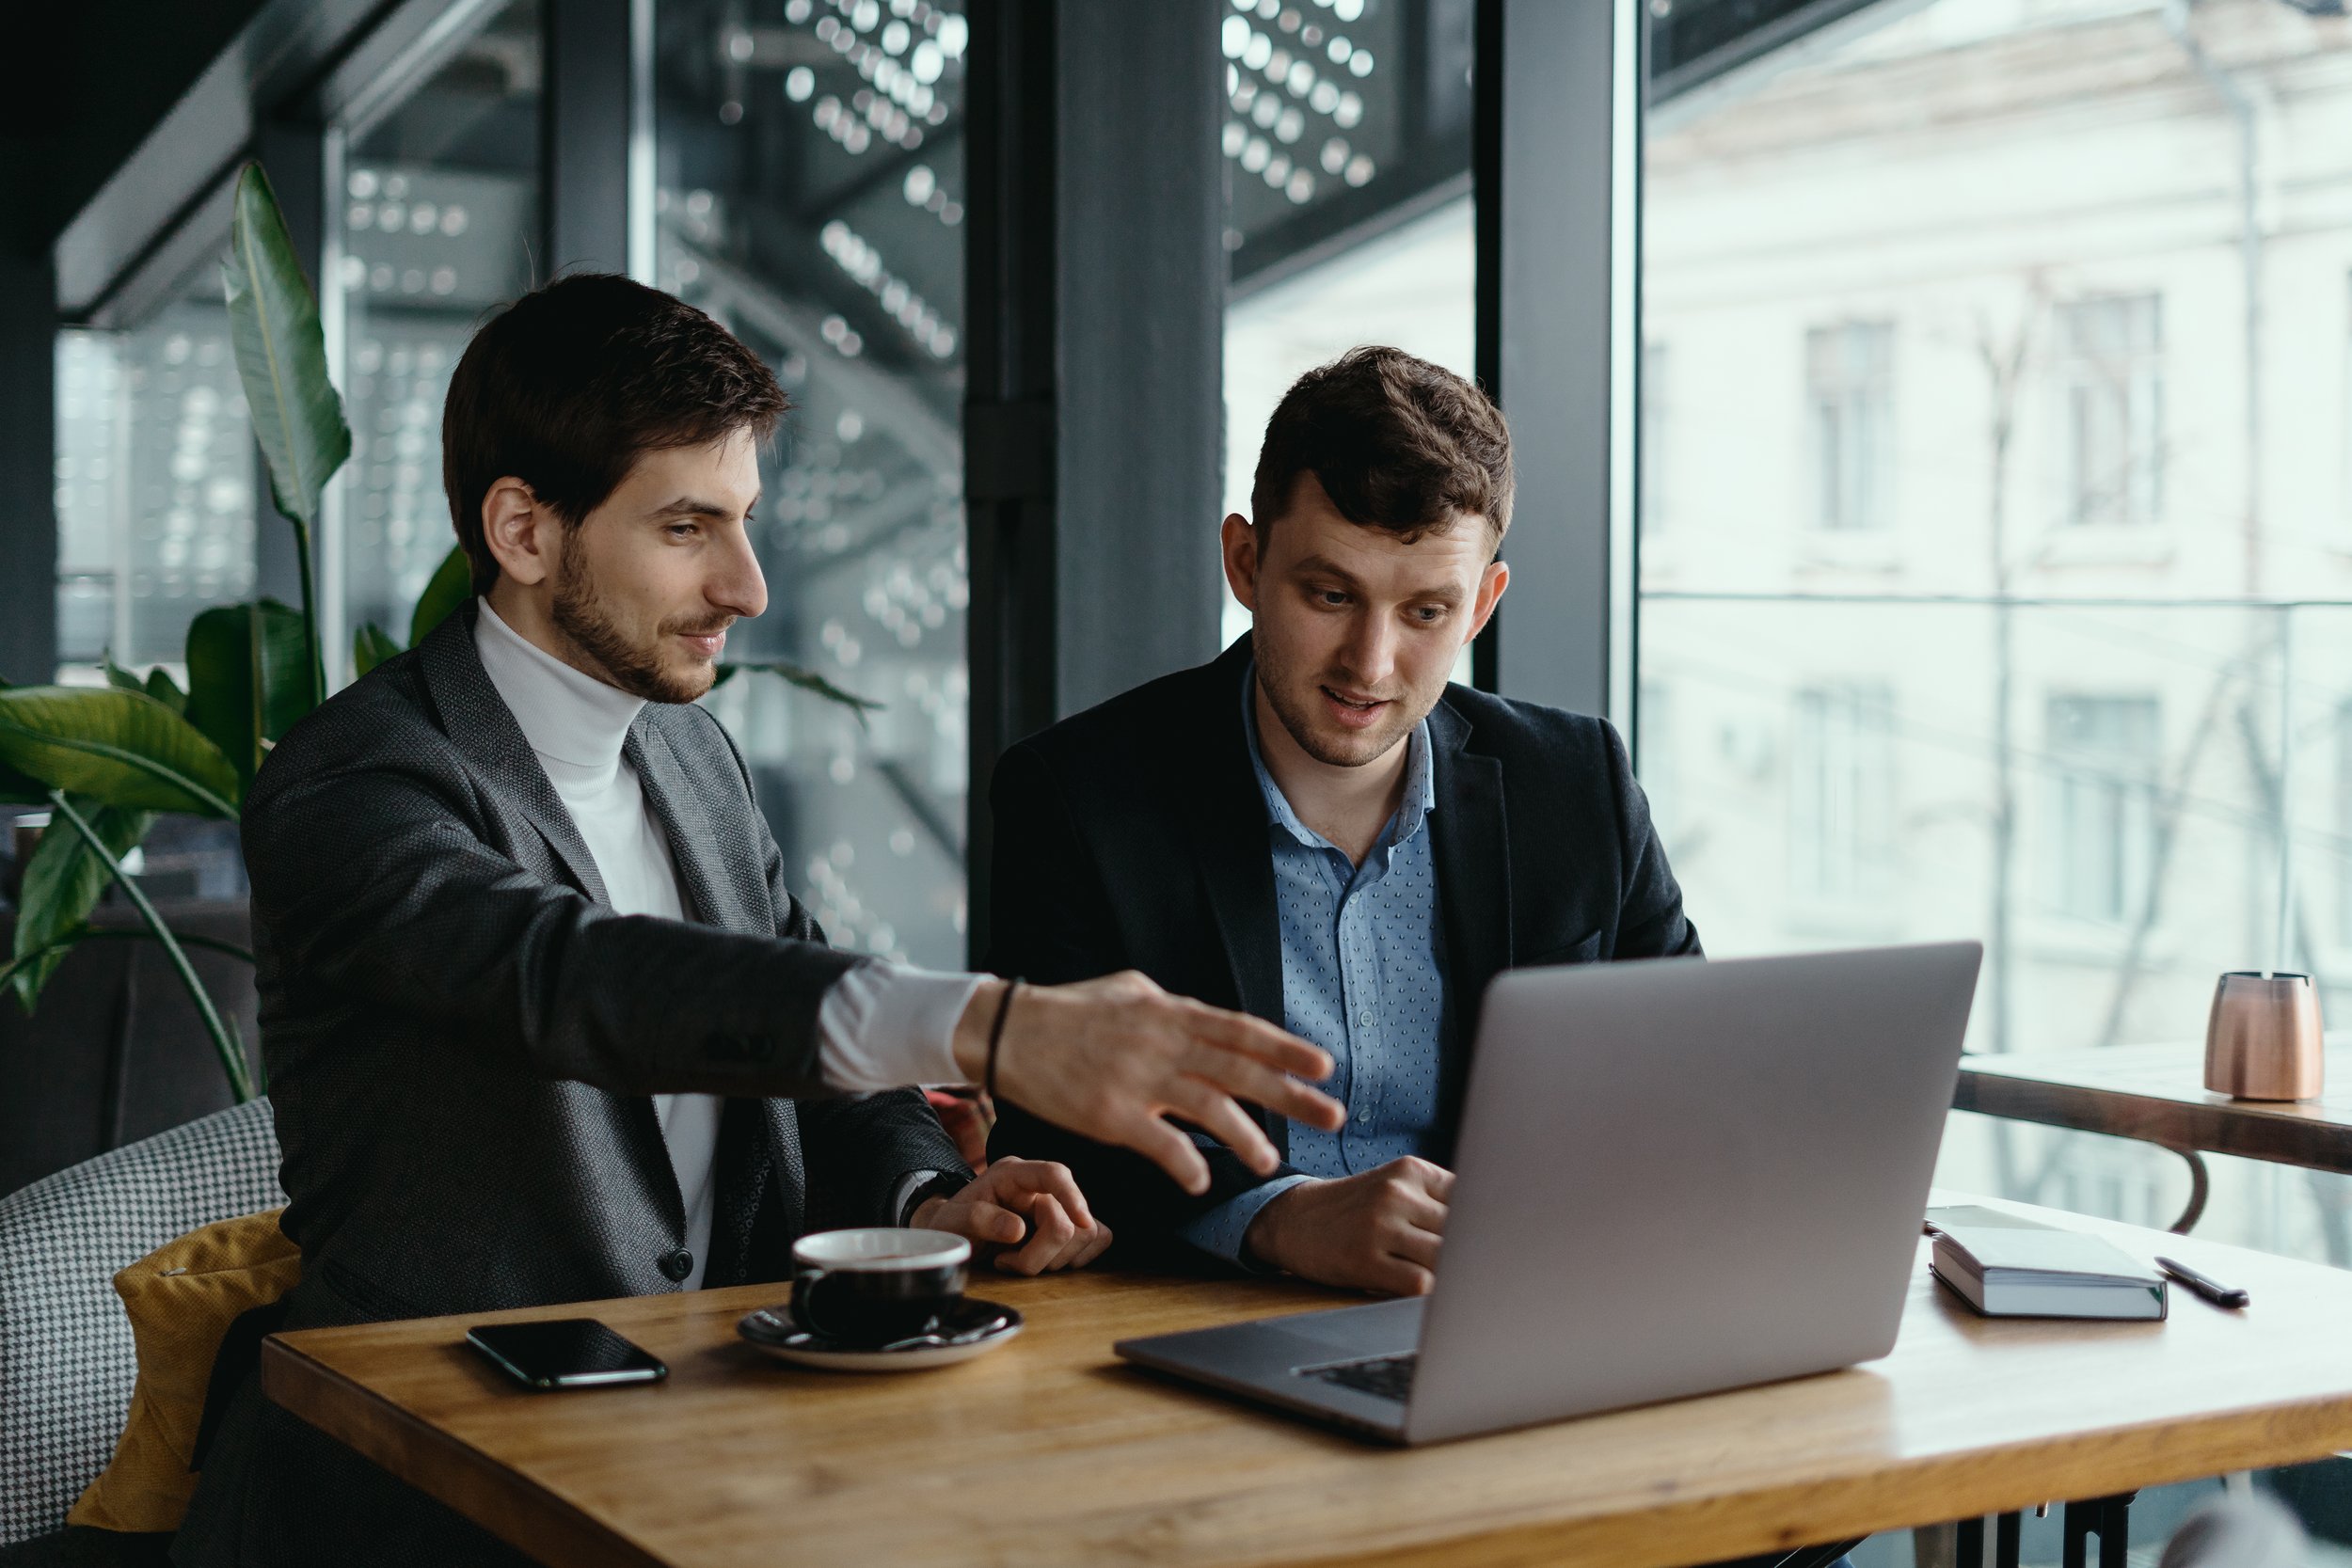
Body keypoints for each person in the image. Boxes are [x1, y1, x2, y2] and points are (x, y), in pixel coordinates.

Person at [176, 275, 1341, 1568]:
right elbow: (568, 980)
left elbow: (808, 1059)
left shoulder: (697, 760)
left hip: (708, 1468)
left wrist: (933, 1197)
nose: (749, 583)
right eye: (688, 527)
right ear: (522, 529)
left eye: (743, 522)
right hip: (415, 1494)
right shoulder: (356, 779)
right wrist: (989, 1022)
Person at [985, 345, 1699, 1295]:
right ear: (1245, 561)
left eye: (1425, 611)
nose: (1370, 661)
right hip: (1194, 1340)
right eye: (1329, 594)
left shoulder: (1577, 785)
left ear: (1481, 603)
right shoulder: (1076, 798)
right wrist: (1273, 1219)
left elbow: (1691, 1088)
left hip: (1515, 1315)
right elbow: (1052, 1162)